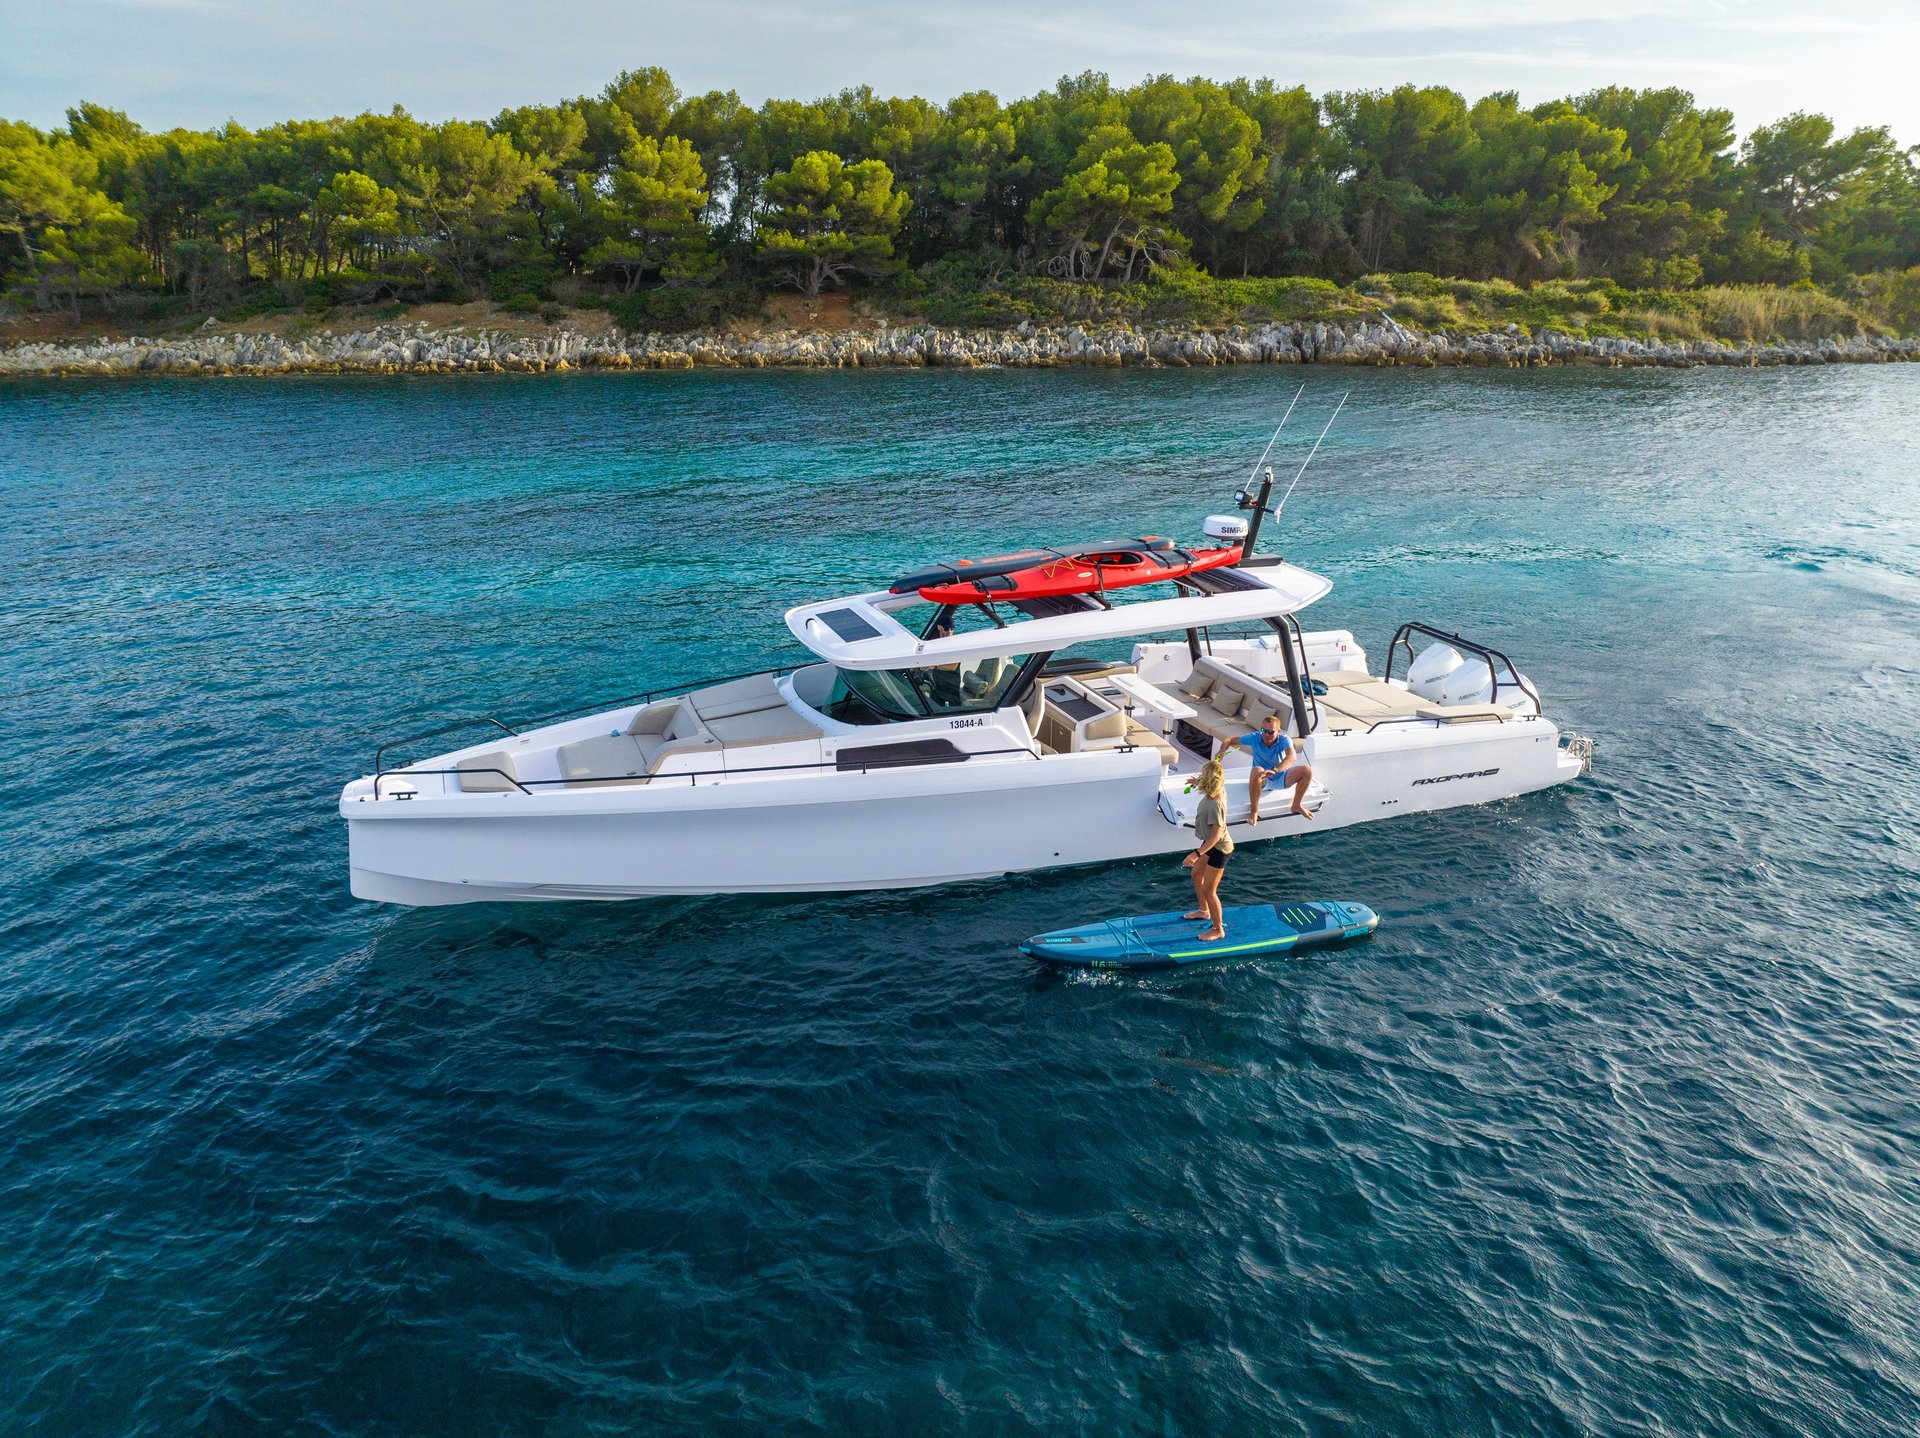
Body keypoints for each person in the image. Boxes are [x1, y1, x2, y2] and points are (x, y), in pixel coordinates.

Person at [1221, 713, 1314, 824]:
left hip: (1281, 777)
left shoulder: (1284, 739)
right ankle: (1254, 811)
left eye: (1271, 732)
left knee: (1307, 770)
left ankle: (1296, 805)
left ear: (1278, 731)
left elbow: (1292, 757)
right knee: (1257, 770)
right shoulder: (1254, 737)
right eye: (1264, 731)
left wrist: (1276, 770)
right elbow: (1229, 740)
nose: (1266, 734)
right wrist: (1221, 750)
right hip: (1262, 780)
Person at [1181, 759, 1234, 941]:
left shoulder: (1215, 804)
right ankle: (1204, 911)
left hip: (1219, 849)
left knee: (1209, 890)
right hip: (1209, 845)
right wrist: (1196, 782)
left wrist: (1195, 854)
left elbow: (1216, 836)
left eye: (1204, 777)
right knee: (1197, 875)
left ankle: (1218, 929)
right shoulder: (1218, 789)